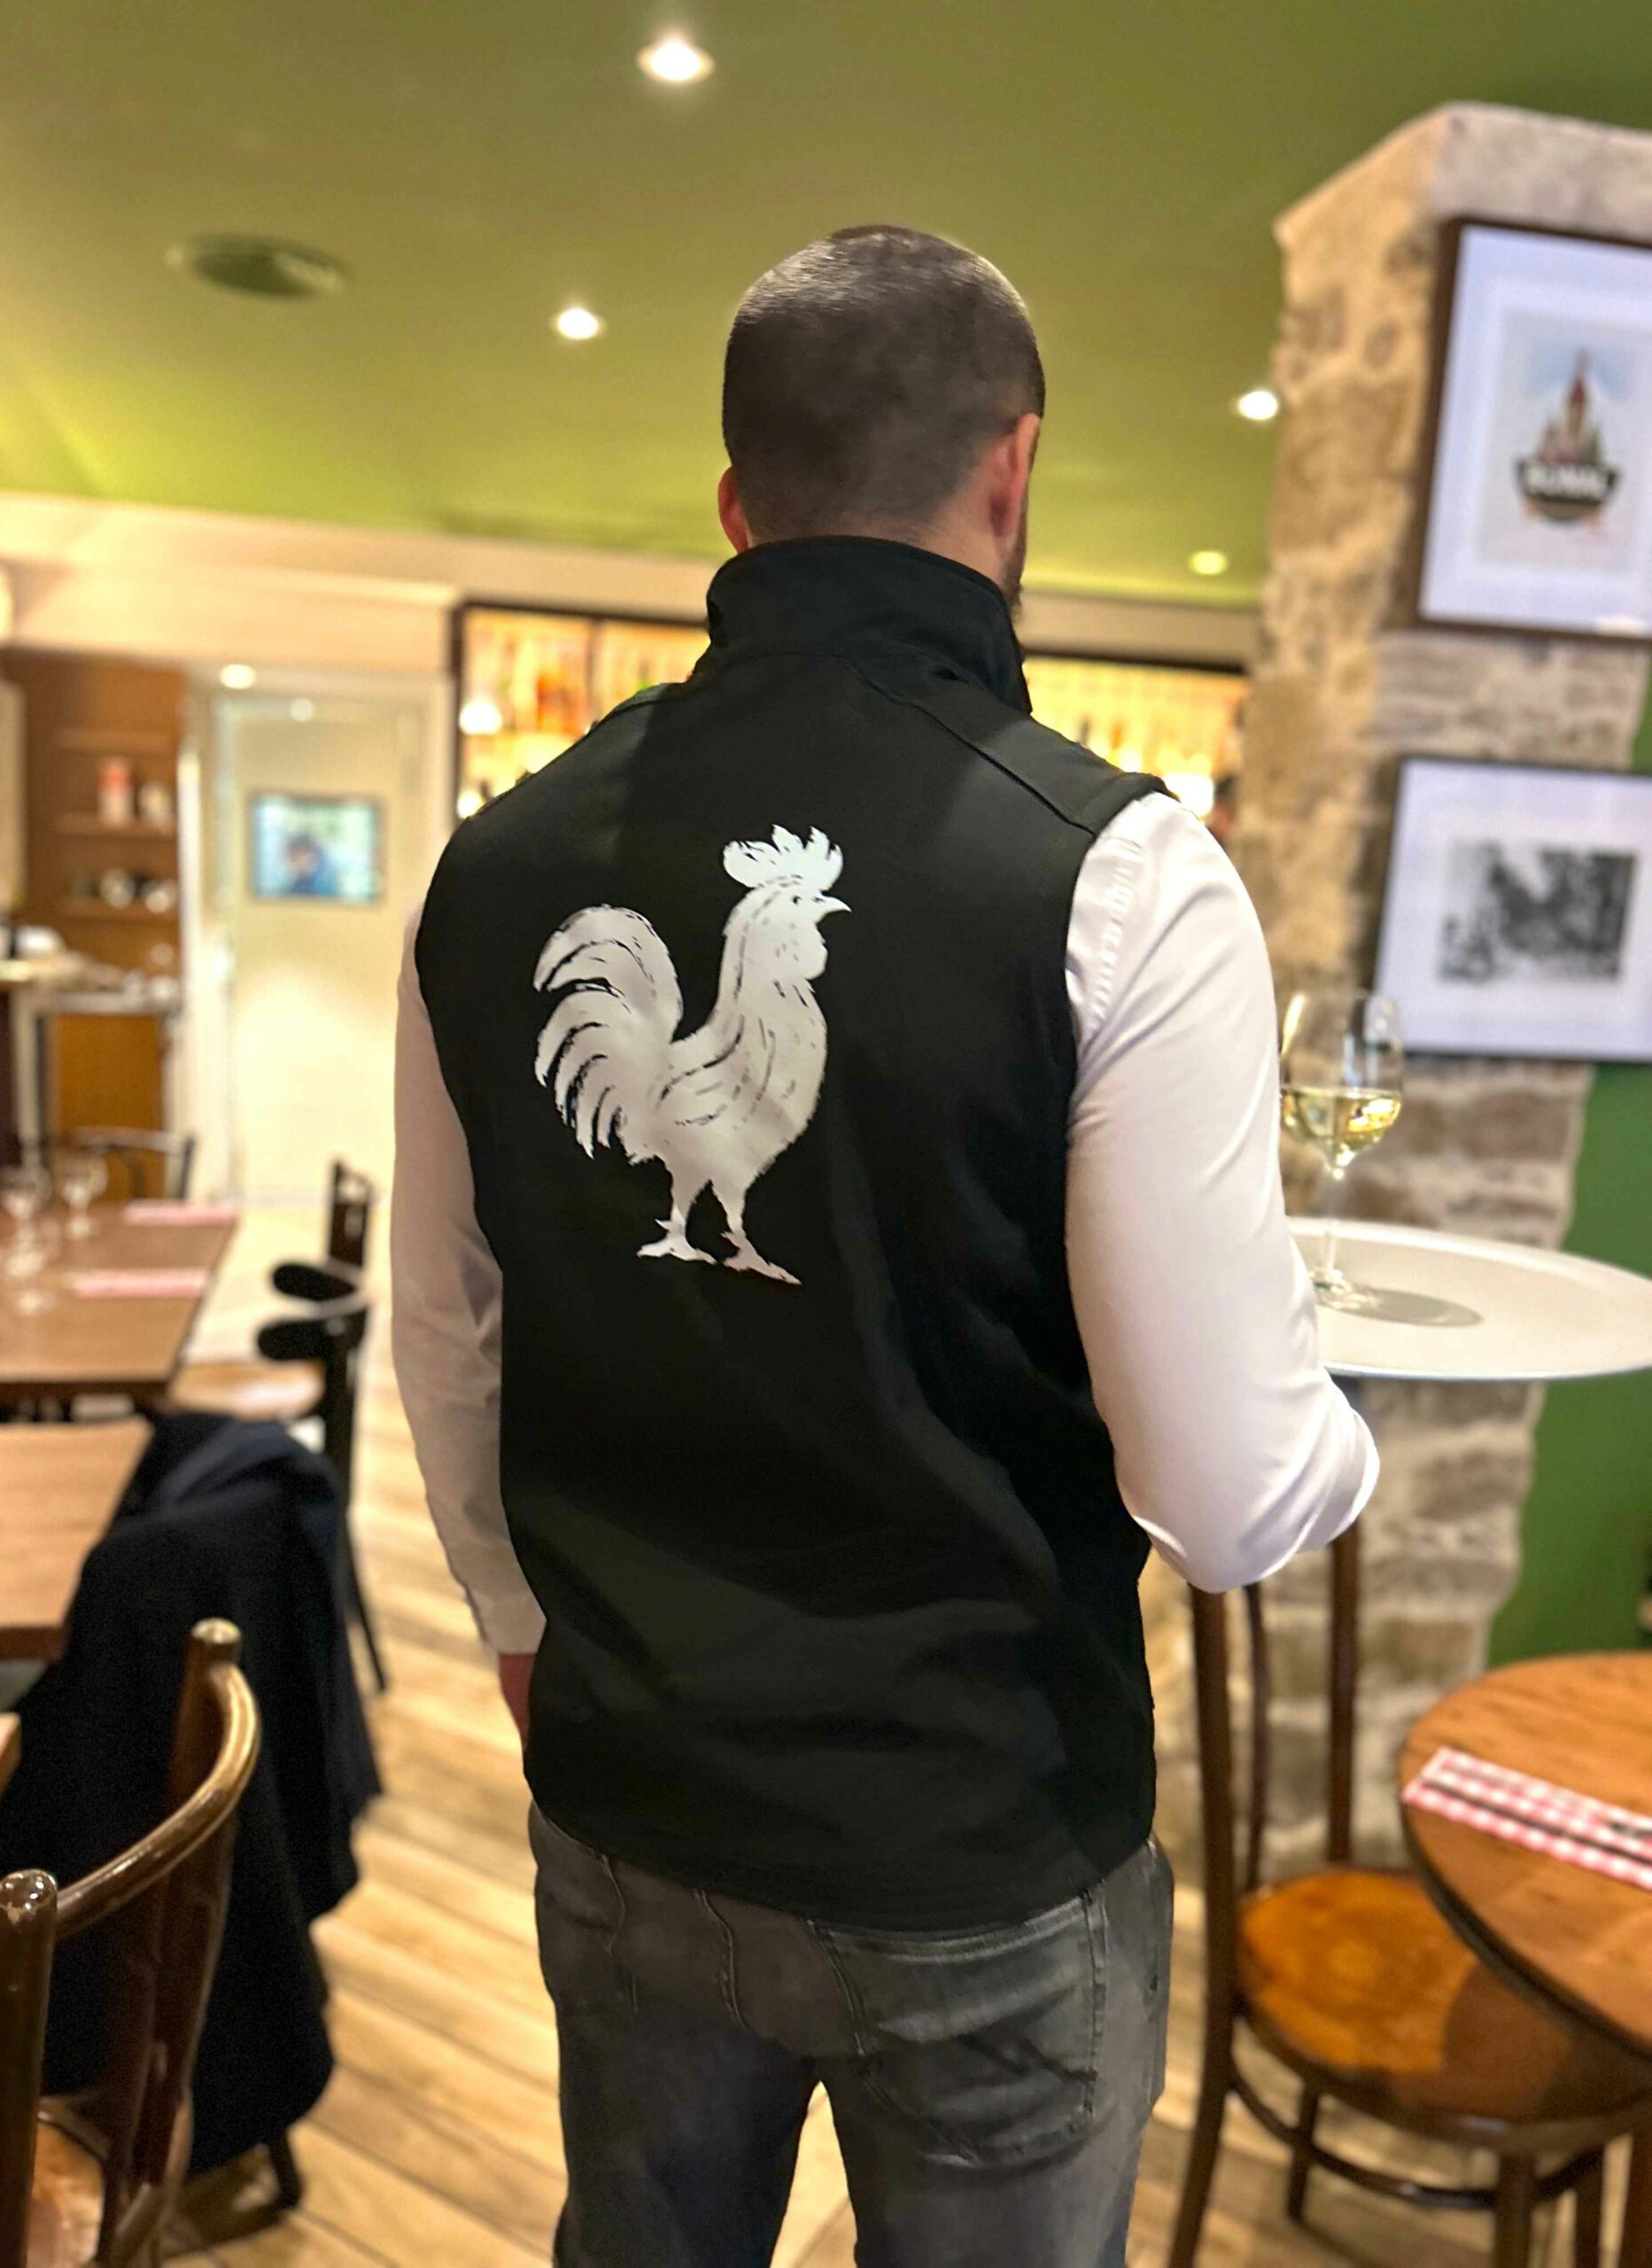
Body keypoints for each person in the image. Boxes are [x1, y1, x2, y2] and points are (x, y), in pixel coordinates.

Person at [393, 225, 1375, 2268]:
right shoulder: (1124, 875)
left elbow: (448, 1322)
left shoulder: (494, 862)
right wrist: (1336, 1420)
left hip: (635, 1793)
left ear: (734, 504)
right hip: (977, 1839)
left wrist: (515, 1613)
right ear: (1014, 472)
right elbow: (1228, 1495)